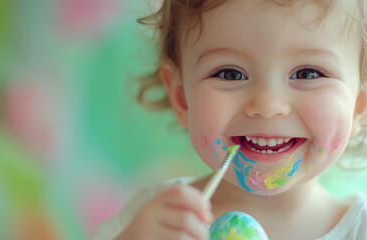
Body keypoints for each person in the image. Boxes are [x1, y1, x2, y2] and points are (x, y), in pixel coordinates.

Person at [93, 0, 367, 239]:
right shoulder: (157, 222)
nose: (267, 106)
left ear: (357, 106)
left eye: (307, 73)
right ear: (182, 98)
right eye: (230, 74)